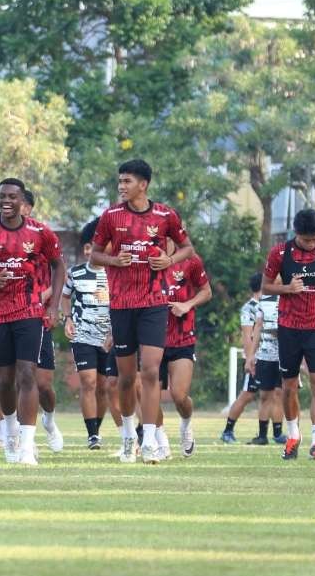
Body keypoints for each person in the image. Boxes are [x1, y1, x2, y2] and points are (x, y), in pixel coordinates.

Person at [90, 159, 195, 464]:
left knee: (150, 372)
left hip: (153, 303)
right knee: (125, 378)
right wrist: (113, 261)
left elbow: (187, 248)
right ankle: (127, 438)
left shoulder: (165, 215)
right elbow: (95, 255)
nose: (121, 186)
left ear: (143, 184)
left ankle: (149, 441)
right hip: (122, 305)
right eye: (119, 181)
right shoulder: (110, 217)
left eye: (127, 181)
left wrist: (170, 261)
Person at [0, 178, 64, 465]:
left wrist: (54, 306)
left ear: (23, 202)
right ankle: (9, 432)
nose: (6, 201)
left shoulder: (40, 232)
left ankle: (26, 446)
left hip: (29, 311)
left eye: (12, 196)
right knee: (5, 381)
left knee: (28, 375)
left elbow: (59, 267)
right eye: (2, 197)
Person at [261, 208, 315, 460]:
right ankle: (293, 435)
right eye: (307, 240)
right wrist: (286, 288)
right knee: (289, 386)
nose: (312, 243)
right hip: (289, 327)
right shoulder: (279, 253)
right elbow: (265, 286)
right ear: (296, 234)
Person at [156, 243, 211, 458]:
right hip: (152, 338)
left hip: (182, 338)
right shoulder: (146, 258)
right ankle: (160, 440)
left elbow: (206, 291)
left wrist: (187, 304)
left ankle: (186, 425)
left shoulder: (191, 261)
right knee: (146, 393)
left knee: (179, 396)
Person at [61, 219, 112, 450]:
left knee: (104, 386)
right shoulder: (75, 273)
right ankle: (92, 435)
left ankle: (97, 427)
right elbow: (64, 298)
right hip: (82, 336)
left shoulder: (114, 274)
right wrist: (67, 318)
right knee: (88, 382)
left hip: (109, 338)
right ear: (88, 249)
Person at [221, 274, 285, 445]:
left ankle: (277, 433)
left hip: (275, 356)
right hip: (259, 358)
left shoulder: (276, 300)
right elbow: (248, 336)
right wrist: (251, 358)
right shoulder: (249, 307)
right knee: (247, 395)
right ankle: (228, 430)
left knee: (275, 394)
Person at [22, 190, 63, 452]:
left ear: (29, 207)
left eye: (22, 204)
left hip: (38, 318)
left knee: (43, 384)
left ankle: (49, 421)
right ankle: (25, 438)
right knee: (19, 378)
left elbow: (59, 270)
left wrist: (49, 300)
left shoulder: (41, 235)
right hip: (8, 317)